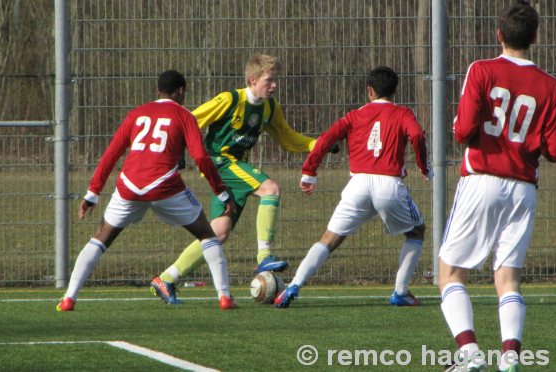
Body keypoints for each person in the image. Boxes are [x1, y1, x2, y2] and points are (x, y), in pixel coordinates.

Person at [438, 2, 556, 371]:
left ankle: (469, 354)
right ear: (535, 38)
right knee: (508, 277)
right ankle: (510, 356)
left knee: (449, 272)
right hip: (523, 187)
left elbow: (463, 131)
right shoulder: (550, 85)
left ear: (499, 35)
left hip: (483, 178)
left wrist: (463, 128)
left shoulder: (481, 70)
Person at [150, 54, 338, 305]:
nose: (274, 85)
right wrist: (175, 152)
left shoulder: (270, 108)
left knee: (217, 232)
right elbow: (188, 120)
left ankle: (166, 278)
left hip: (236, 169)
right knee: (270, 188)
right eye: (269, 80)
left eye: (275, 80)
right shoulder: (230, 100)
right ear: (252, 79)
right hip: (220, 162)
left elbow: (288, 139)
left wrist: (319, 144)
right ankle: (264, 256)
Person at [56, 70, 239, 311]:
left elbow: (111, 154)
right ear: (181, 91)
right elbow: (201, 157)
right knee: (206, 235)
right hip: (165, 186)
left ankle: (69, 298)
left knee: (100, 239)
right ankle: (224, 297)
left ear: (157, 91)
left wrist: (92, 194)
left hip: (128, 187)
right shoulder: (184, 115)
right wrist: (221, 192)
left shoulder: (136, 113)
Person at [274, 66, 433, 309]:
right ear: (394, 91)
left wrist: (309, 171)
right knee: (417, 231)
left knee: (329, 239)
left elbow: (326, 138)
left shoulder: (354, 115)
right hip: (389, 185)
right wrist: (423, 166)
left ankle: (293, 285)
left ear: (369, 91)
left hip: (357, 185)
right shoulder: (402, 113)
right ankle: (400, 291)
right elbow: (417, 135)